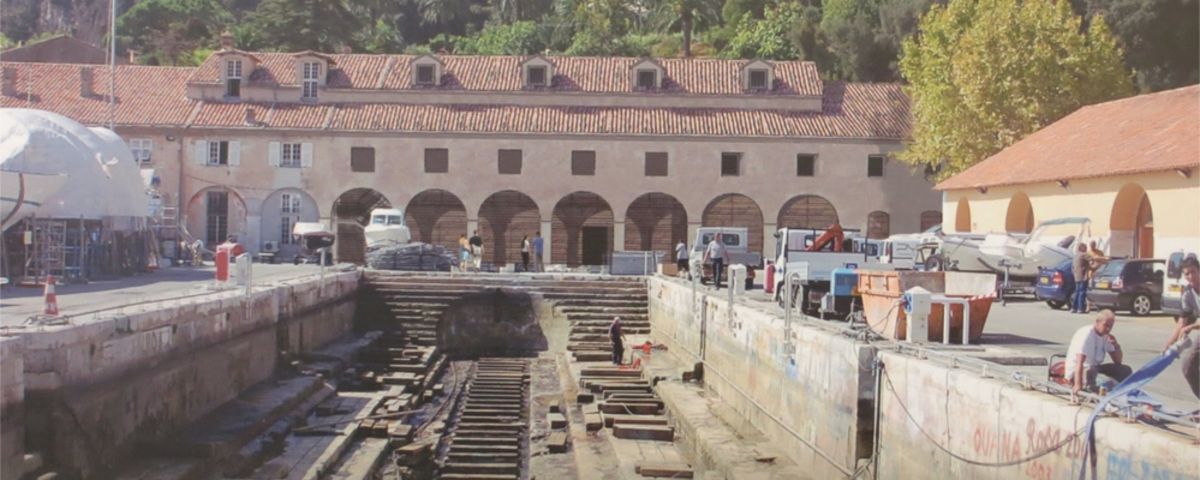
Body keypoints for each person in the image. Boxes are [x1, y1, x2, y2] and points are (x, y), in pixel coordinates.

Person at [1066, 309, 1132, 402]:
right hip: (1079, 370)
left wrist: (1116, 345)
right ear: (1097, 322)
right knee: (1091, 371)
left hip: (1095, 367)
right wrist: (1077, 385)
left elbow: (1118, 361)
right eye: (1105, 326)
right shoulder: (1086, 335)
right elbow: (1079, 362)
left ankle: (1120, 393)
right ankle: (1093, 393)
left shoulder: (1106, 335)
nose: (1108, 329)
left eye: (1110, 326)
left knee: (1125, 370)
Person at [1164, 255, 1200, 398]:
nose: (1190, 276)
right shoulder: (1188, 292)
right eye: (1187, 274)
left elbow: (1187, 326)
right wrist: (1170, 343)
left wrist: (1190, 328)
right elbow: (1182, 321)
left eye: (1193, 272)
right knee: (1188, 366)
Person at [1071, 243, 1092, 314]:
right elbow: (1093, 258)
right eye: (1085, 247)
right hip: (1083, 277)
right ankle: (1080, 308)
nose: (1086, 249)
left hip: (1077, 277)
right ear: (1082, 248)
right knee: (1082, 293)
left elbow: (1073, 268)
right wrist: (1104, 258)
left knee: (1077, 292)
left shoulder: (1075, 255)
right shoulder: (1083, 254)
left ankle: (1074, 308)